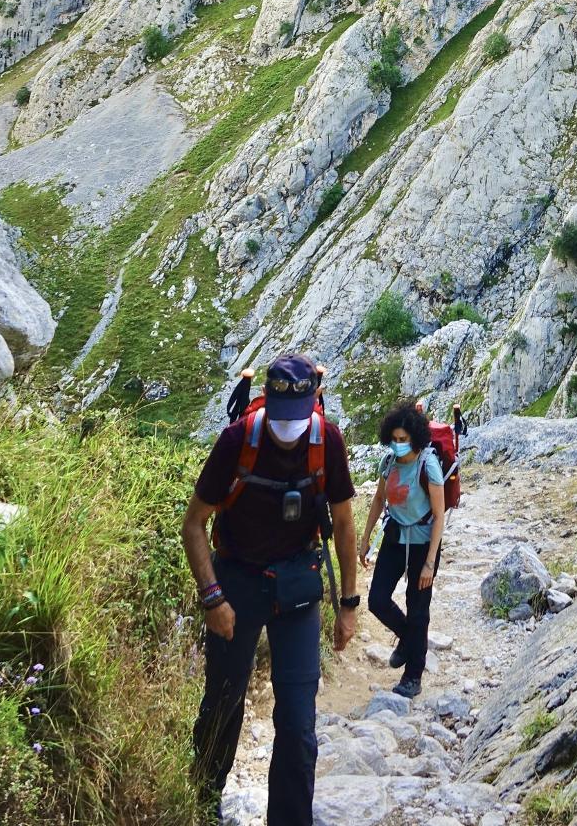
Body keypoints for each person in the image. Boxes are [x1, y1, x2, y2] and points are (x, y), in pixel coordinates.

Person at [182, 353, 359, 825]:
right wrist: (212, 597)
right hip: (236, 582)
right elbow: (194, 523)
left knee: (299, 722)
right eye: (280, 418)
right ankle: (200, 806)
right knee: (223, 701)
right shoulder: (237, 440)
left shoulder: (327, 441)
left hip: (298, 589)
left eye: (296, 418)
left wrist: (348, 605)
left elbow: (343, 525)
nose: (287, 428)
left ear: (314, 402)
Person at [358, 400, 446, 699]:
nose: (397, 445)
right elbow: (378, 500)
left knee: (418, 610)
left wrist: (430, 564)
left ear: (415, 438)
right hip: (395, 537)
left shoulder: (428, 465)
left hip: (422, 543)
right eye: (394, 440)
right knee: (378, 600)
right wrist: (366, 537)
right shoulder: (389, 463)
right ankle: (409, 641)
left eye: (403, 440)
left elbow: (439, 515)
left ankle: (413, 676)